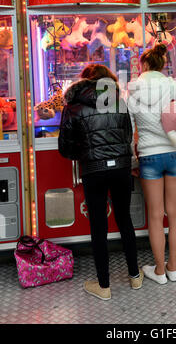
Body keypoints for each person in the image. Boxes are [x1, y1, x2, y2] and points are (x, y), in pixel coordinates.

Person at [58, 64, 143, 300]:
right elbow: (127, 136)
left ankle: (104, 286)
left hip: (93, 170)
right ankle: (135, 277)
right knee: (125, 219)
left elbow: (64, 147)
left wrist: (86, 153)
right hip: (121, 168)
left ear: (84, 82)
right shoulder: (120, 103)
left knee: (98, 226)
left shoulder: (73, 107)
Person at [128, 44, 176, 285]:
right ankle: (173, 269)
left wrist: (133, 159)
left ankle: (158, 271)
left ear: (144, 65)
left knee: (155, 216)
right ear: (161, 65)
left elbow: (128, 129)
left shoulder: (132, 90)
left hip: (149, 156)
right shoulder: (174, 86)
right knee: (174, 214)